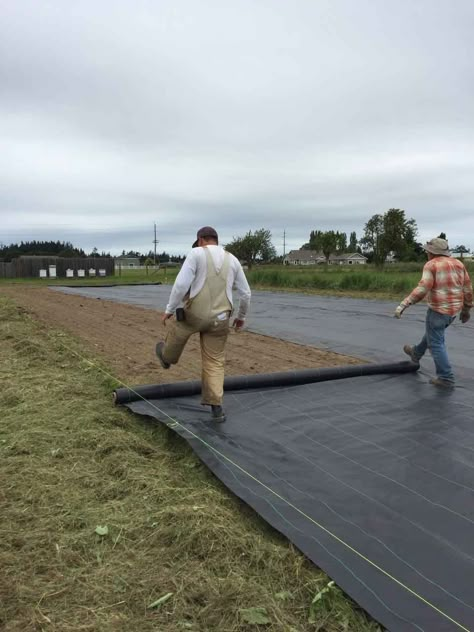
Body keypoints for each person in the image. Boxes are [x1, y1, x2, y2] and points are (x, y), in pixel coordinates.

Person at [156, 226, 251, 421]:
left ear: (200, 240)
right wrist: (240, 317)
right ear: (216, 240)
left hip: (196, 315)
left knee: (179, 330)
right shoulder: (232, 259)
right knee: (215, 361)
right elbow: (246, 293)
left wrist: (169, 309)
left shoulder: (196, 253)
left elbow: (181, 285)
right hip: (221, 319)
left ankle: (167, 358)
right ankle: (216, 407)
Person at [394, 237, 472, 388]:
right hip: (452, 313)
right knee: (432, 333)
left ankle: (446, 377)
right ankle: (416, 353)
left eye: (427, 251)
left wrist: (403, 305)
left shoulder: (431, 265)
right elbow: (468, 288)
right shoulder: (459, 264)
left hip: (438, 311)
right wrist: (467, 309)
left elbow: (423, 289)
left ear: (431, 252)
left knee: (436, 343)